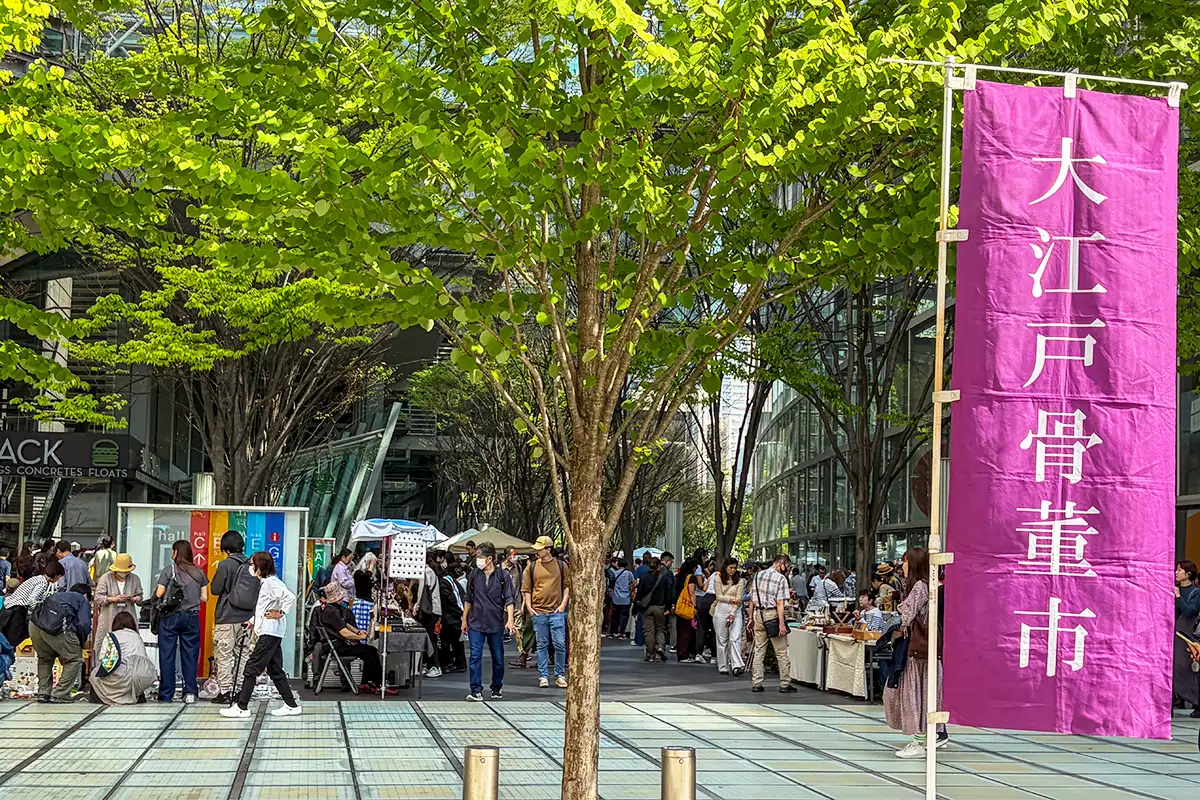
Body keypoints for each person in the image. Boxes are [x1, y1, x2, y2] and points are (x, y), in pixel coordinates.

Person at [219, 552, 301, 717]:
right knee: (275, 670)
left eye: (252, 564)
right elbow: (263, 607)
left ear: (258, 566)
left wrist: (281, 612)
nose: (250, 567)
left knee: (251, 667)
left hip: (269, 633)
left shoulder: (271, 583)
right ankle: (291, 705)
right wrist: (252, 620)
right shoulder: (267, 583)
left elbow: (290, 597)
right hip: (271, 631)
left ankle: (242, 707)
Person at [885, 547, 946, 757]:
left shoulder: (919, 586)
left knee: (914, 692)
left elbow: (907, 615)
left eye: (905, 561)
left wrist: (902, 608)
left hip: (918, 650)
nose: (902, 565)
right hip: (928, 649)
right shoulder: (928, 584)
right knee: (927, 692)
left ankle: (918, 741)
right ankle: (932, 736)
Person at [155, 540, 210, 704]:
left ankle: (166, 694)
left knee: (167, 654)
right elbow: (205, 598)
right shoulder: (199, 572)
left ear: (175, 553)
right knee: (191, 654)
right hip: (192, 616)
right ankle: (190, 692)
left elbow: (159, 593)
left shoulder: (169, 570)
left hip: (170, 616)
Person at [462, 542, 517, 701]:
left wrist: (510, 619)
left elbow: (509, 599)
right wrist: (464, 620)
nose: (477, 559)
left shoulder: (502, 576)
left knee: (498, 658)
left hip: (495, 623)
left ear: (490, 558)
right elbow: (468, 599)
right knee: (475, 656)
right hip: (475, 622)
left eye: (480, 557)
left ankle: (496, 687)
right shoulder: (473, 575)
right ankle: (476, 689)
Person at [209, 531, 257, 705]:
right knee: (243, 654)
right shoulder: (251, 564)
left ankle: (226, 691)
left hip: (227, 617)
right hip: (247, 617)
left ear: (226, 547)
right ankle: (239, 690)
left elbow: (215, 589)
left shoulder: (225, 565)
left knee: (224, 654)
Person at [29, 581, 91, 703]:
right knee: (74, 658)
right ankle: (60, 693)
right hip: (55, 626)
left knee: (44, 658)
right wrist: (79, 645)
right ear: (86, 595)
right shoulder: (82, 600)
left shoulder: (58, 594)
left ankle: (43, 693)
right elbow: (83, 625)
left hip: (34, 624)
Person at [319, 581, 387, 691]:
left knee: (369, 652)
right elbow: (344, 632)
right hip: (338, 646)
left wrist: (357, 631)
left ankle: (366, 682)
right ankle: (378, 683)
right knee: (370, 652)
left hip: (334, 644)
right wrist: (361, 637)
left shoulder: (332, 609)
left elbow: (345, 624)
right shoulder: (332, 612)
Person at [523, 536, 569, 688]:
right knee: (542, 644)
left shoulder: (562, 566)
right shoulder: (532, 567)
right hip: (538, 611)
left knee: (560, 644)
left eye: (539, 548)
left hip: (557, 611)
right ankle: (543, 675)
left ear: (548, 549)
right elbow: (527, 589)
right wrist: (529, 608)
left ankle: (559, 674)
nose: (536, 551)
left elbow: (567, 586)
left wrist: (562, 605)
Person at [748, 553, 796, 693]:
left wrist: (750, 618)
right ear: (780, 563)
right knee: (781, 652)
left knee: (759, 650)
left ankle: (757, 683)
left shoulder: (758, 575)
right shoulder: (781, 579)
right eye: (786, 565)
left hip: (758, 614)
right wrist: (781, 623)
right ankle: (785, 683)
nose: (786, 569)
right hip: (773, 615)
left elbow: (752, 599)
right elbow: (780, 602)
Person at [90, 611, 156, 705]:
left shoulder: (112, 636)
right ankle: (137, 695)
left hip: (125, 673)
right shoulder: (137, 636)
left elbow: (104, 661)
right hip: (145, 673)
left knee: (95, 674)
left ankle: (109, 697)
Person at [1, 559, 63, 648]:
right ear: (56, 575)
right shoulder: (43, 583)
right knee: (14, 640)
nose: (58, 580)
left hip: (8, 608)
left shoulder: (38, 578)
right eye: (59, 577)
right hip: (16, 611)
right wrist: (36, 615)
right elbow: (32, 600)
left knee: (6, 639)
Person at [92, 553, 143, 653]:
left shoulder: (135, 579)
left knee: (130, 643)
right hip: (109, 617)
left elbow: (140, 596)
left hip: (128, 616)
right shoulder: (106, 578)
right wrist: (113, 599)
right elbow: (98, 597)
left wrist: (133, 599)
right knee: (106, 642)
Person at [713, 558, 746, 676]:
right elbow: (719, 596)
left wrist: (732, 612)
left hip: (735, 611)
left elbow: (739, 599)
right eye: (730, 567)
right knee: (722, 640)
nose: (732, 570)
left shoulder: (740, 581)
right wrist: (732, 600)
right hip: (721, 611)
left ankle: (737, 664)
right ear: (725, 567)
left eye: (734, 568)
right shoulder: (718, 578)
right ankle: (723, 665)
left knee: (735, 638)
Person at [1175, 560, 1200, 714]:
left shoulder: (1195, 592)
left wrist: (1178, 597)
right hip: (1174, 633)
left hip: (1187, 635)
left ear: (1188, 574)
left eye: (1179, 570)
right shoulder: (1173, 589)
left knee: (1186, 669)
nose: (1176, 573)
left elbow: (1189, 611)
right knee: (1174, 668)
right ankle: (1173, 702)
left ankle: (1197, 702)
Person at [636, 557, 672, 662]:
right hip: (660, 606)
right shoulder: (663, 577)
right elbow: (668, 593)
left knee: (649, 631)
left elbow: (640, 592)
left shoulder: (644, 576)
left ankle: (650, 653)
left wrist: (638, 603)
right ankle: (660, 647)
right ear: (659, 565)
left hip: (647, 607)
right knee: (660, 629)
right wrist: (668, 606)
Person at [438, 563, 467, 673]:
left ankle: (452, 663)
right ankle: (458, 662)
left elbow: (449, 599)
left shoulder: (445, 582)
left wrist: (457, 611)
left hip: (450, 616)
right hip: (456, 615)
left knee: (448, 641)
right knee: (456, 642)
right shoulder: (454, 582)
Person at [420, 553, 444, 678]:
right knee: (429, 638)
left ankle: (436, 666)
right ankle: (429, 665)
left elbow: (423, 590)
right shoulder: (429, 571)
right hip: (432, 609)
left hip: (431, 610)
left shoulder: (427, 571)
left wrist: (417, 604)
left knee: (430, 638)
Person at [674, 560, 699, 663]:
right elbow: (691, 592)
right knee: (686, 632)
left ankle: (680, 652)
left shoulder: (678, 576)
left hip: (679, 606)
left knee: (680, 631)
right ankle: (684, 655)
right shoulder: (691, 577)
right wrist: (695, 607)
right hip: (687, 607)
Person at [501, 546, 523, 648]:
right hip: (502, 603)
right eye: (513, 555)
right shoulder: (499, 568)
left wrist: (523, 603)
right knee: (500, 627)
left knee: (519, 627)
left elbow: (522, 585)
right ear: (507, 556)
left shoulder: (518, 568)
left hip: (517, 602)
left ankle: (522, 653)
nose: (516, 557)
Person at [608, 558, 634, 640]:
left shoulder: (614, 573)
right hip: (626, 598)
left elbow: (610, 584)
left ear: (618, 565)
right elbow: (633, 583)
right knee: (624, 616)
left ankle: (613, 631)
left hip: (616, 597)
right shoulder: (629, 574)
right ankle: (621, 633)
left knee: (615, 616)